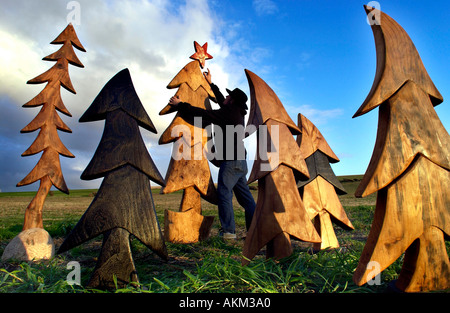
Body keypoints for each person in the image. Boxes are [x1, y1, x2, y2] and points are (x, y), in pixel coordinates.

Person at [168, 69, 256, 239]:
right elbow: (223, 100)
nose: (226, 97)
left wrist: (180, 105)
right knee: (246, 200)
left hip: (230, 162)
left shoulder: (227, 114)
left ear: (233, 101)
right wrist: (211, 83)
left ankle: (229, 232)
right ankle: (255, 231)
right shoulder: (237, 112)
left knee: (224, 194)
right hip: (241, 162)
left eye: (230, 96)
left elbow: (202, 113)